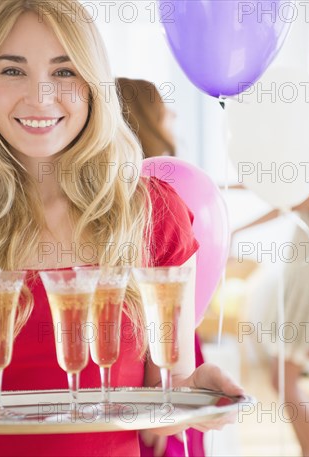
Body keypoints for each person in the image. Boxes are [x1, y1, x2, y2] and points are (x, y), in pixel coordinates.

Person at [0, 2, 244, 456]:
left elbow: (162, 412)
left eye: (65, 71)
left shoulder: (153, 213)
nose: (40, 95)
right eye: (13, 71)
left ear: (93, 85)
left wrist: (198, 392)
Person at [231, 135, 309, 456]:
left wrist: (236, 228)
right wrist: (229, 188)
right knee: (283, 381)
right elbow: (282, 192)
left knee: (284, 382)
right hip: (301, 292)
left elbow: (287, 199)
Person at [116, 77, 205, 457]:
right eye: (164, 112)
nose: (173, 118)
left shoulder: (167, 192)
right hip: (143, 335)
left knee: (168, 427)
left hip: (175, 330)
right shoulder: (140, 199)